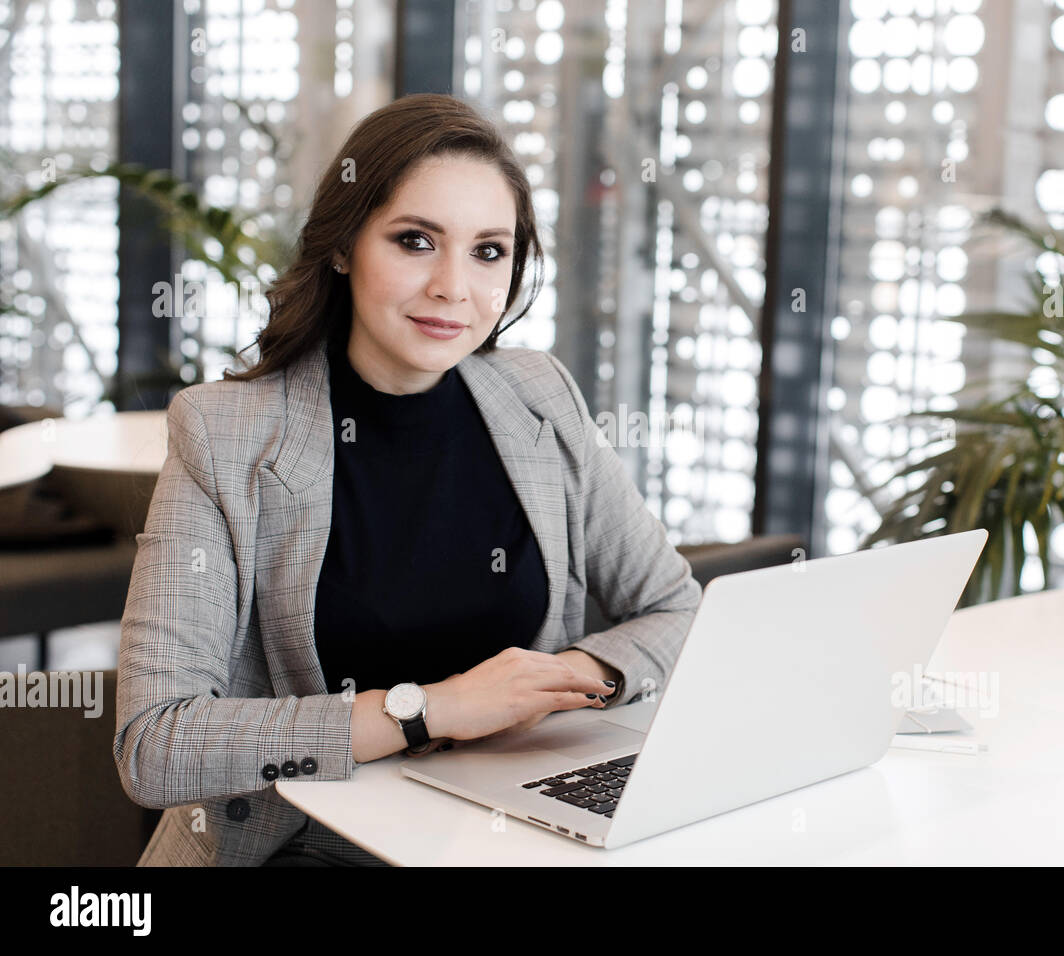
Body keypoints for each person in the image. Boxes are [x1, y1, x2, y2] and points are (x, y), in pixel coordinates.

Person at [113, 93, 702, 866]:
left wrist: (561, 677)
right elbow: (155, 741)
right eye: (416, 241)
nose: (454, 288)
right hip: (307, 847)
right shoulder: (225, 433)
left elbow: (676, 609)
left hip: (507, 832)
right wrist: (434, 712)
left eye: (489, 251)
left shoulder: (539, 395)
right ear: (343, 246)